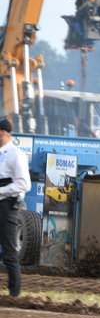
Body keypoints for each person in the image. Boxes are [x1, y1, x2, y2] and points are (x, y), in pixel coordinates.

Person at [0, 118, 31, 297]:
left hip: (8, 206)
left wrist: (2, 191)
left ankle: (14, 295)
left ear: (3, 133)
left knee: (10, 254)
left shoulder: (15, 154)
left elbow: (24, 184)